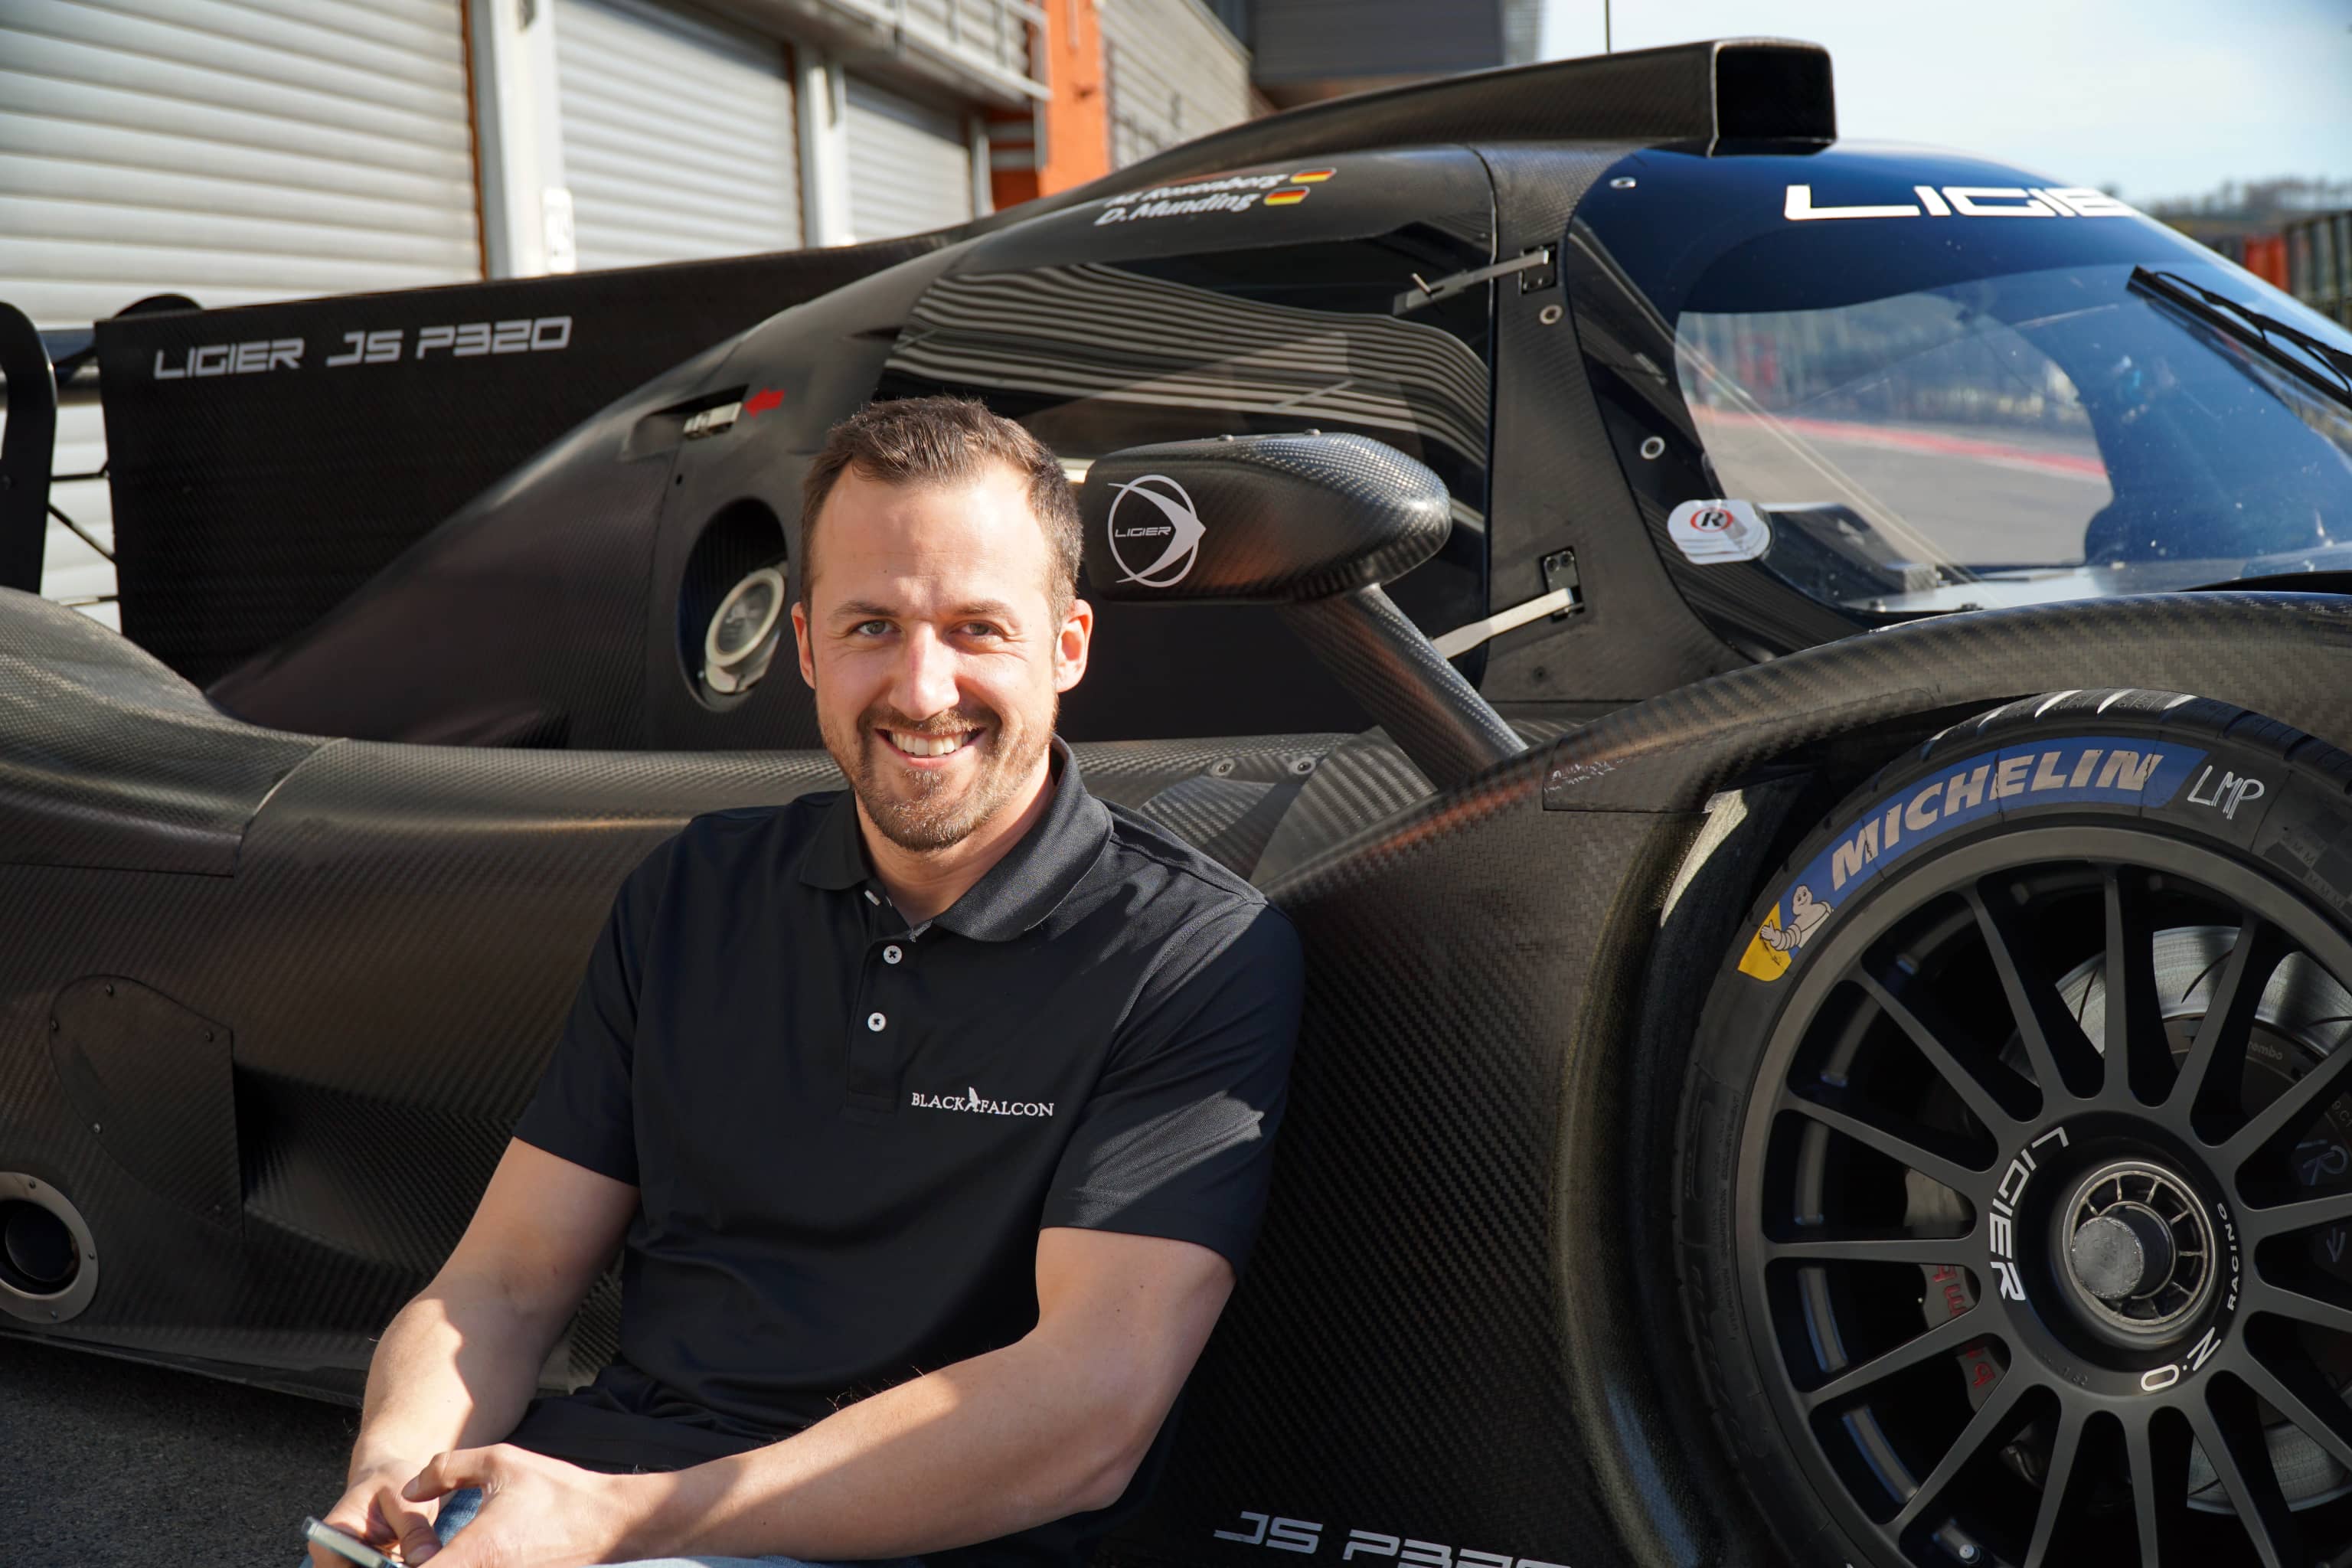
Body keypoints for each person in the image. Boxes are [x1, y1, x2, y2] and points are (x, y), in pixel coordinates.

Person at [309, 397, 1305, 1568]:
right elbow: (503, 1284)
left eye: (977, 629)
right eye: (872, 625)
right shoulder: (693, 894)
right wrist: (390, 1478)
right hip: (597, 1506)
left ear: (1068, 645)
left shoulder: (1188, 953)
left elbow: (1088, 1412)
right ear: (806, 649)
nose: (922, 689)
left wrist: (624, 1520)